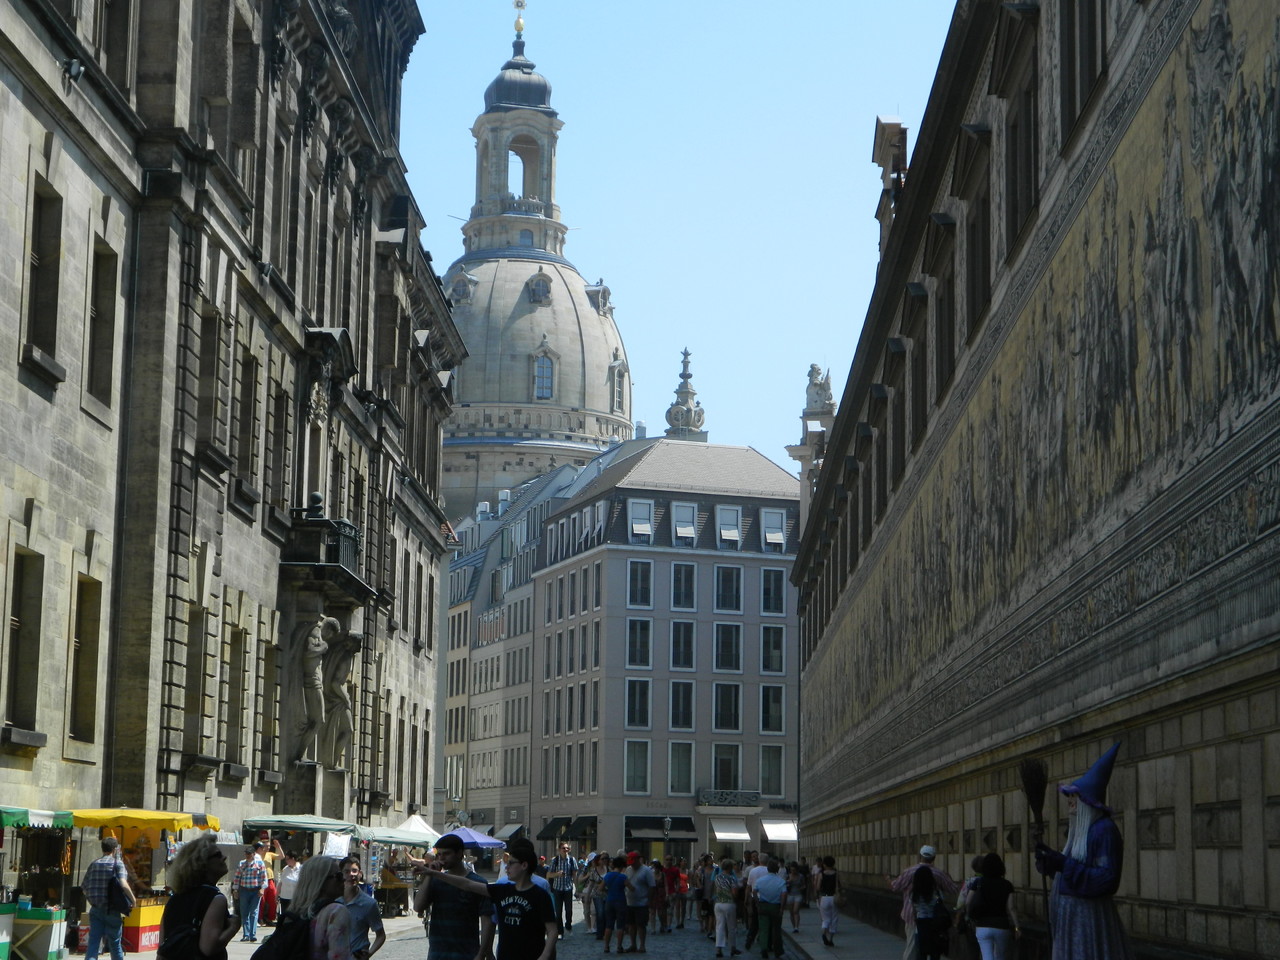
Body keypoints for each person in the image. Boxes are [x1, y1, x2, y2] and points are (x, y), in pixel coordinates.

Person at [1035, 742, 1135, 960]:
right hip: (1071, 923)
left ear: (1088, 802)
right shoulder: (1080, 833)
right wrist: (1052, 865)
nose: (1070, 803)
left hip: (1088, 923)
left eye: (1074, 797)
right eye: (1069, 797)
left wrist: (1064, 865)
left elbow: (1107, 879)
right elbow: (1076, 868)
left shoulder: (1104, 831)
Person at [421, 838, 556, 960]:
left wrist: (545, 955)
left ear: (524, 865)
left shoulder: (540, 895)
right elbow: (467, 884)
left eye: (511, 863)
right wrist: (433, 874)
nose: (506, 867)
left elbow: (552, 930)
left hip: (532, 955)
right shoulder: (502, 890)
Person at [412, 833, 494, 960]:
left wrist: (483, 953)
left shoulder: (478, 883)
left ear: (460, 853)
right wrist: (429, 875)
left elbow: (487, 922)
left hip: (466, 953)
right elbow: (418, 906)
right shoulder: (436, 881)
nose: (442, 858)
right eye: (439, 854)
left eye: (446, 854)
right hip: (438, 953)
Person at [158, 834, 237, 960]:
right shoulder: (215, 898)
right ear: (202, 863)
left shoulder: (175, 898)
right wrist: (233, 928)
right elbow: (208, 948)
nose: (224, 857)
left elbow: (162, 947)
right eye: (217, 855)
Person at [888, 846, 956, 959]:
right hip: (934, 919)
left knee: (913, 948)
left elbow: (895, 886)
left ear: (920, 856)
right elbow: (953, 889)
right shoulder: (938, 873)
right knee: (934, 949)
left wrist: (888, 880)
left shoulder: (909, 872)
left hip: (913, 916)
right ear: (934, 858)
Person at [83, 838, 137, 960]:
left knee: (93, 944)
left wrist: (92, 899)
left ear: (102, 848)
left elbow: (84, 887)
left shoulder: (94, 864)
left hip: (96, 909)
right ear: (114, 849)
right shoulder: (117, 863)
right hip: (112, 910)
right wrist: (133, 900)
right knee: (115, 944)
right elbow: (123, 884)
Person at [290, 856, 351, 960]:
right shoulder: (336, 911)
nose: (344, 879)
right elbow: (339, 956)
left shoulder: (294, 911)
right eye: (339, 876)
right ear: (322, 881)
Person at [966, 853, 1019, 960]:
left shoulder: (978, 882)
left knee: (987, 956)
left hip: (982, 925)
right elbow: (1011, 908)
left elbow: (968, 902)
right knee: (1000, 956)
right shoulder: (1007, 884)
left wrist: (970, 917)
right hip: (1001, 925)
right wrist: (1017, 927)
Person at [339, 857, 384, 960]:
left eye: (354, 871)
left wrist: (369, 953)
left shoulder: (369, 903)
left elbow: (380, 935)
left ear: (360, 874)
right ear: (341, 875)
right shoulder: (334, 900)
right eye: (347, 871)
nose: (351, 874)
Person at [911, 866, 950, 960]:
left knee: (921, 953)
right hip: (935, 925)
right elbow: (941, 903)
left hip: (921, 924)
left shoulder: (914, 894)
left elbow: (913, 910)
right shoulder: (936, 892)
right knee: (935, 953)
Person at [232, 844, 268, 942]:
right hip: (244, 890)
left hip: (256, 890)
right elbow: (237, 878)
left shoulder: (260, 864)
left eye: (249, 854)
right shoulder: (242, 864)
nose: (247, 856)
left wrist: (262, 888)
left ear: (253, 854)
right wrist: (235, 890)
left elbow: (264, 878)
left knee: (254, 912)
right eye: (246, 854)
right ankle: (246, 934)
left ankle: (252, 935)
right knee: (244, 912)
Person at [753, 859, 787, 960]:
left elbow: (754, 891)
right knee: (776, 929)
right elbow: (784, 894)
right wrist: (782, 908)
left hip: (763, 905)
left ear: (768, 869)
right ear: (777, 869)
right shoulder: (781, 881)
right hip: (775, 906)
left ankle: (764, 948)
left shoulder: (761, 880)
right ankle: (777, 950)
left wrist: (757, 903)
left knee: (763, 929)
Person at [621, 851, 653, 953]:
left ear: (638, 860)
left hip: (642, 902)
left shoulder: (646, 870)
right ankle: (633, 944)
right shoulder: (628, 870)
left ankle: (642, 945)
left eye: (633, 862)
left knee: (641, 925)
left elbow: (652, 886)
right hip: (630, 902)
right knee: (631, 925)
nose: (632, 864)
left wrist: (649, 900)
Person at [710, 858, 742, 959]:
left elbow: (716, 889)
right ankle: (732, 947)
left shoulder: (718, 877)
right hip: (729, 903)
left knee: (719, 926)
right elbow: (734, 892)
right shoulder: (731, 878)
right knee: (731, 927)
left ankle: (718, 949)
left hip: (718, 903)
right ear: (730, 868)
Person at [546, 842, 578, 938]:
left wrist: (577, 889)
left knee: (569, 910)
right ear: (559, 849)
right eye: (563, 848)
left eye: (567, 848)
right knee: (558, 912)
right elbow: (548, 875)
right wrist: (557, 874)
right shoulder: (555, 861)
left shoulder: (572, 860)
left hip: (568, 888)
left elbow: (575, 875)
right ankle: (560, 931)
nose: (565, 850)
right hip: (557, 888)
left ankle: (568, 924)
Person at [600, 856, 628, 954]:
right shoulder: (623, 877)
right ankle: (619, 947)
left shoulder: (607, 876)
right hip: (620, 901)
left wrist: (607, 892)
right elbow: (631, 888)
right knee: (620, 925)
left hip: (609, 901)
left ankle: (606, 947)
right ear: (621, 867)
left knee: (609, 925)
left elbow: (600, 888)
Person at [816, 856, 842, 947]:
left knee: (825, 919)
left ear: (824, 864)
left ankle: (824, 933)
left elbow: (818, 887)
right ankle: (830, 940)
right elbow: (839, 886)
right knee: (834, 918)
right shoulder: (836, 874)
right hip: (834, 897)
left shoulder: (821, 874)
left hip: (824, 897)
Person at [275, 845, 302, 915]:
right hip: (284, 898)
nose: (286, 861)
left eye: (287, 859)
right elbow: (280, 883)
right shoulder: (285, 869)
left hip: (295, 899)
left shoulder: (301, 869)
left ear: (293, 858)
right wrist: (276, 895)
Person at [257, 841, 279, 927]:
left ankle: (270, 918)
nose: (268, 848)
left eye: (269, 846)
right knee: (262, 900)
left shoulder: (269, 854)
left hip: (270, 879)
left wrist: (278, 847)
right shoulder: (258, 855)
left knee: (273, 898)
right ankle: (260, 918)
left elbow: (282, 856)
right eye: (266, 846)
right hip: (262, 880)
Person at [784, 863, 804, 934]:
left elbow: (804, 885)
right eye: (791, 870)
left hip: (798, 895)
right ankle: (794, 926)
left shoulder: (801, 876)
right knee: (791, 912)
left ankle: (796, 927)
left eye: (794, 870)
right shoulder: (788, 876)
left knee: (796, 911)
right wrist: (788, 881)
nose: (793, 871)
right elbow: (784, 884)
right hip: (790, 895)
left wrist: (801, 888)